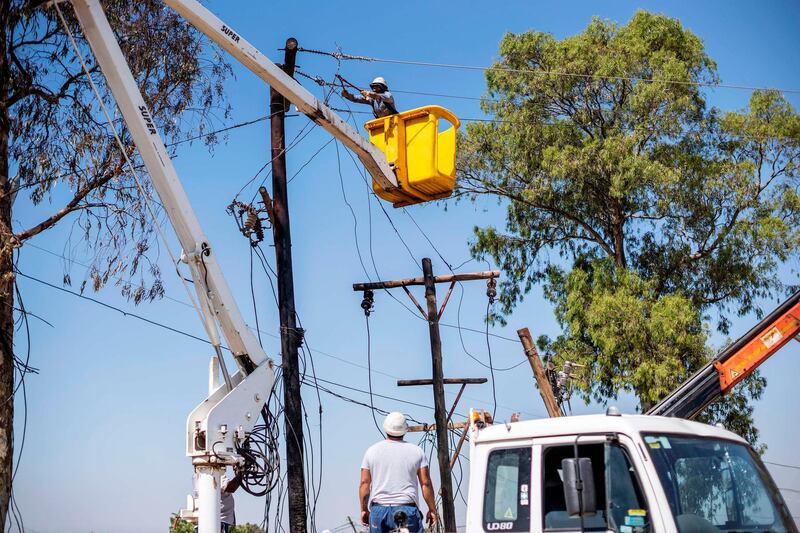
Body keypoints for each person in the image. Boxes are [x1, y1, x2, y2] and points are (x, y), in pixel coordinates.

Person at [360, 412, 437, 533]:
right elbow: (425, 483)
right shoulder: (417, 452)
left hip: (379, 511)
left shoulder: (371, 451)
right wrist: (432, 509)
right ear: (405, 430)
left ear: (385, 428)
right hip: (407, 510)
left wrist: (364, 509)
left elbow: (365, 483)